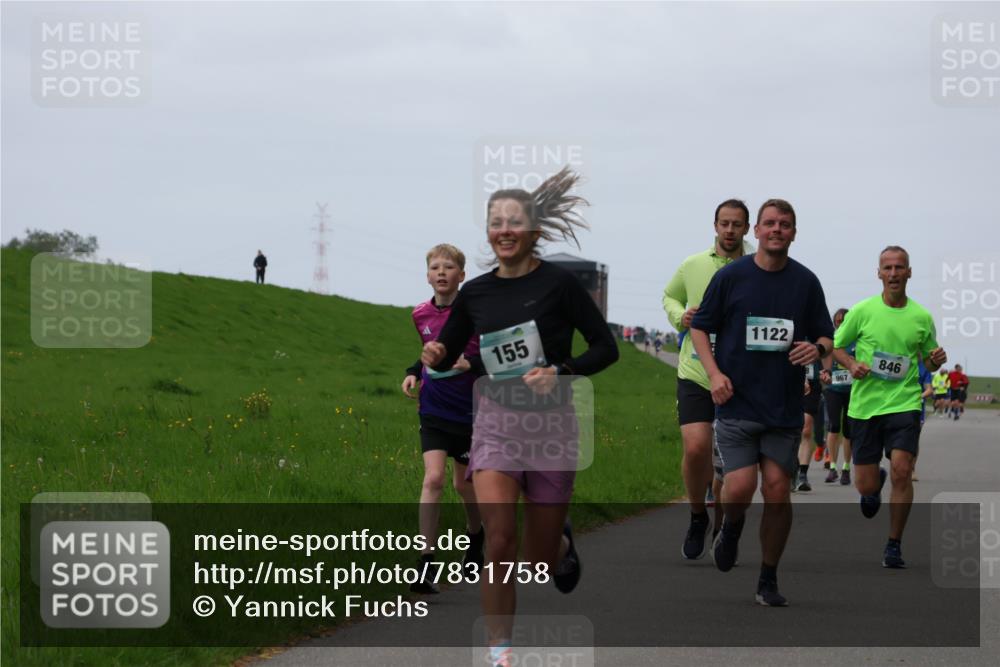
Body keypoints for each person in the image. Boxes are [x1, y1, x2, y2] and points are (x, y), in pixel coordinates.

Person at [421, 167, 618, 666]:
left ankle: (562, 549)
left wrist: (563, 369)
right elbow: (450, 349)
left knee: (537, 556)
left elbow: (606, 347)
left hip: (550, 429)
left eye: (514, 222)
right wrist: (437, 352)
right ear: (489, 232)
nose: (503, 230)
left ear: (533, 231)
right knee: (500, 537)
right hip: (494, 428)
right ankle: (500, 652)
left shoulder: (561, 285)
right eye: (495, 222)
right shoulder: (477, 293)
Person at [690, 198, 833, 607]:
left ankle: (768, 577)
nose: (776, 230)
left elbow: (826, 337)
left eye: (784, 225)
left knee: (776, 490)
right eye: (770, 223)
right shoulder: (733, 277)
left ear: (793, 232)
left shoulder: (806, 282)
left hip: (783, 406)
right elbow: (700, 330)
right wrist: (715, 375)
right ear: (757, 230)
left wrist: (815, 348)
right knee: (739, 485)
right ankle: (731, 527)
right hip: (736, 401)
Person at [833, 245, 946, 569]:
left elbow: (928, 360)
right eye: (888, 268)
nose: (894, 274)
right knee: (866, 484)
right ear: (879, 273)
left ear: (909, 272)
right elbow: (838, 346)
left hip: (905, 403)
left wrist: (935, 361)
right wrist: (852, 364)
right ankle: (872, 485)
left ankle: (894, 544)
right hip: (866, 406)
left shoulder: (921, 317)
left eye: (900, 268)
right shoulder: (862, 311)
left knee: (903, 470)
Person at [662, 198, 752, 559]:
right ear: (715, 226)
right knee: (697, 447)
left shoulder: (756, 266)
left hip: (741, 376)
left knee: (727, 463)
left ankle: (723, 523)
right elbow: (670, 296)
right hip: (696, 371)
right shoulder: (693, 265)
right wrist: (680, 316)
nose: (730, 231)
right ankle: (698, 514)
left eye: (737, 225)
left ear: (748, 229)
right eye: (724, 224)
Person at [401, 244, 484, 593]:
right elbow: (428, 353)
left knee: (463, 485)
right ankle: (425, 562)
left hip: (471, 412)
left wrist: (472, 365)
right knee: (432, 480)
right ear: (427, 276)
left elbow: (499, 355)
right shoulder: (420, 314)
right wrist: (414, 372)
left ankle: (476, 538)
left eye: (448, 267)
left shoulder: (478, 314)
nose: (441, 272)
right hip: (433, 409)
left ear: (461, 275)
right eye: (435, 267)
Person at [820, 308, 854, 485]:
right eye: (837, 321)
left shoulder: (856, 341)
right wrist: (824, 374)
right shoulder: (830, 341)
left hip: (852, 390)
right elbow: (823, 362)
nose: (840, 324)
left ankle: (846, 468)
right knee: (833, 426)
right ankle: (832, 467)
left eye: (843, 321)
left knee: (848, 429)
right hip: (833, 389)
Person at [795, 358, 823, 492]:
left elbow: (828, 348)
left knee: (806, 430)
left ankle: (802, 475)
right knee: (789, 430)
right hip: (788, 379)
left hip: (812, 383)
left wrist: (826, 371)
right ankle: (790, 469)